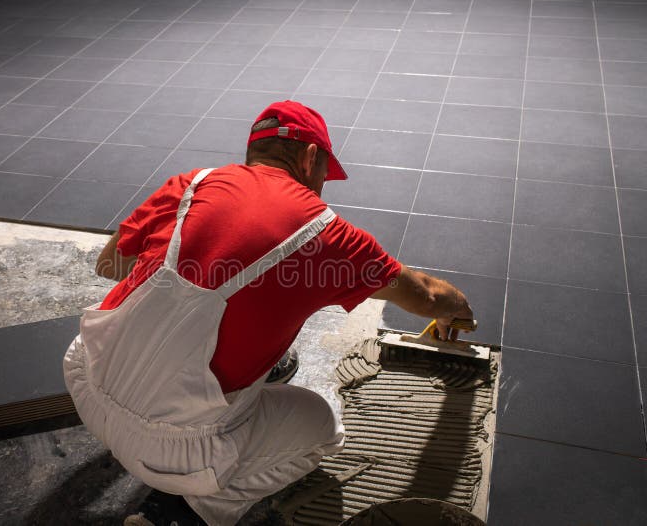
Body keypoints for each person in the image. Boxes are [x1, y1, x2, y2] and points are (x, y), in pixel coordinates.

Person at [62, 101, 473, 526]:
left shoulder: (192, 183)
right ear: (310, 157)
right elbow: (423, 295)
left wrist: (189, 262)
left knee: (230, 329)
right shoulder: (326, 234)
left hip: (88, 384)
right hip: (177, 449)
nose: (322, 187)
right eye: (324, 174)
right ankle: (184, 513)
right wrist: (457, 308)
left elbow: (110, 265)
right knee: (321, 430)